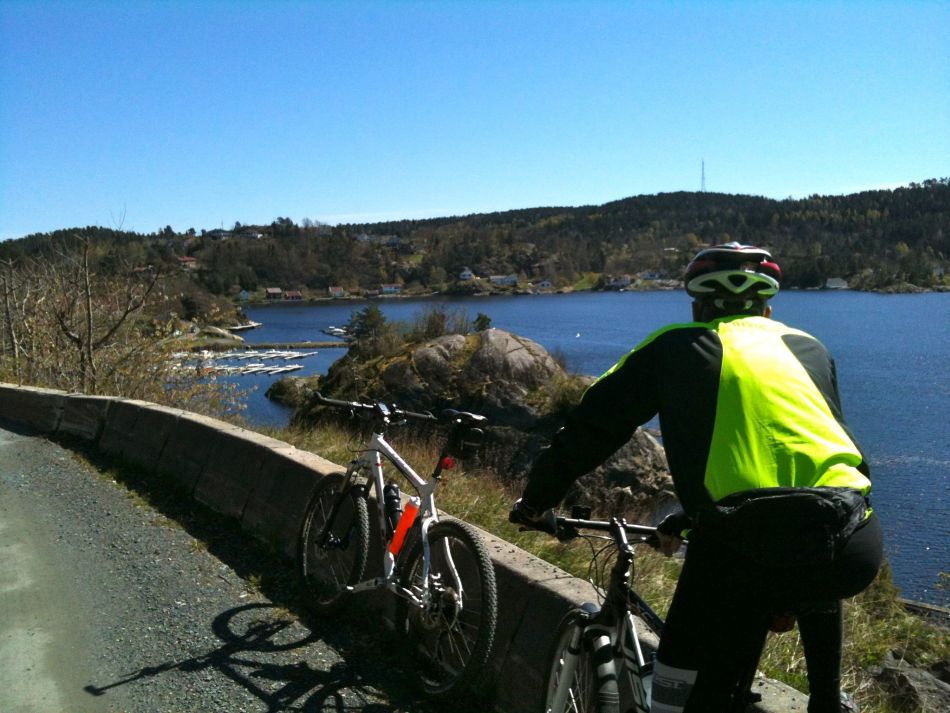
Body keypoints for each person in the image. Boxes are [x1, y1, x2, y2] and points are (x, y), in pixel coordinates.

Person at [510, 242, 883, 713]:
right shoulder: (811, 348)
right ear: (767, 310)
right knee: (812, 553)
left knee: (684, 688)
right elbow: (807, 456)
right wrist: (690, 517)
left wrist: (536, 502)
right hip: (853, 543)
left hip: (741, 544)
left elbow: (591, 430)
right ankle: (826, 701)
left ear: (697, 308)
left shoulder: (675, 346)